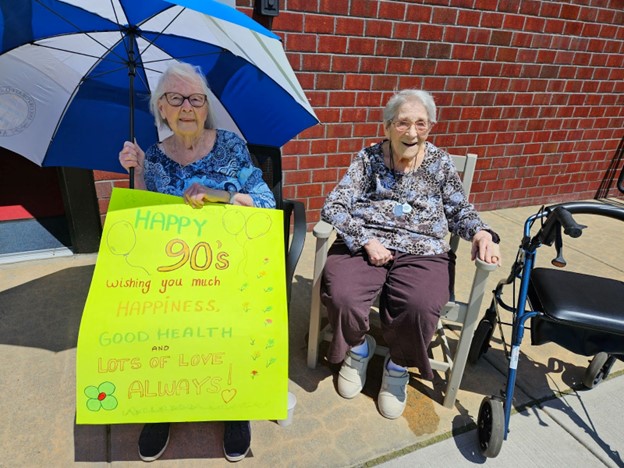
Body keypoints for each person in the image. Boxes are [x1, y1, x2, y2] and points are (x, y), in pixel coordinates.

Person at [119, 61, 275, 462]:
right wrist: (134, 173)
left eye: (195, 99)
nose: (187, 107)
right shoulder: (151, 156)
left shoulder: (231, 146)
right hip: (172, 275)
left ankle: (235, 406)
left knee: (234, 325)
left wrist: (222, 196)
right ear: (162, 109)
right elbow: (139, 219)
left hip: (226, 268)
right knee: (155, 325)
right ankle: (162, 404)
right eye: (176, 98)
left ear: (206, 108)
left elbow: (265, 200)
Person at [320, 89, 501, 419]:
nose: (413, 132)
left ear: (430, 126)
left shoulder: (440, 163)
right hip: (367, 242)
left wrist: (481, 231)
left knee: (420, 304)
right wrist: (364, 241)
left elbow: (459, 209)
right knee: (342, 294)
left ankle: (398, 365)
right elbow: (334, 205)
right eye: (403, 123)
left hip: (424, 248)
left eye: (422, 123)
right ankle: (358, 349)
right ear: (387, 126)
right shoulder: (368, 159)